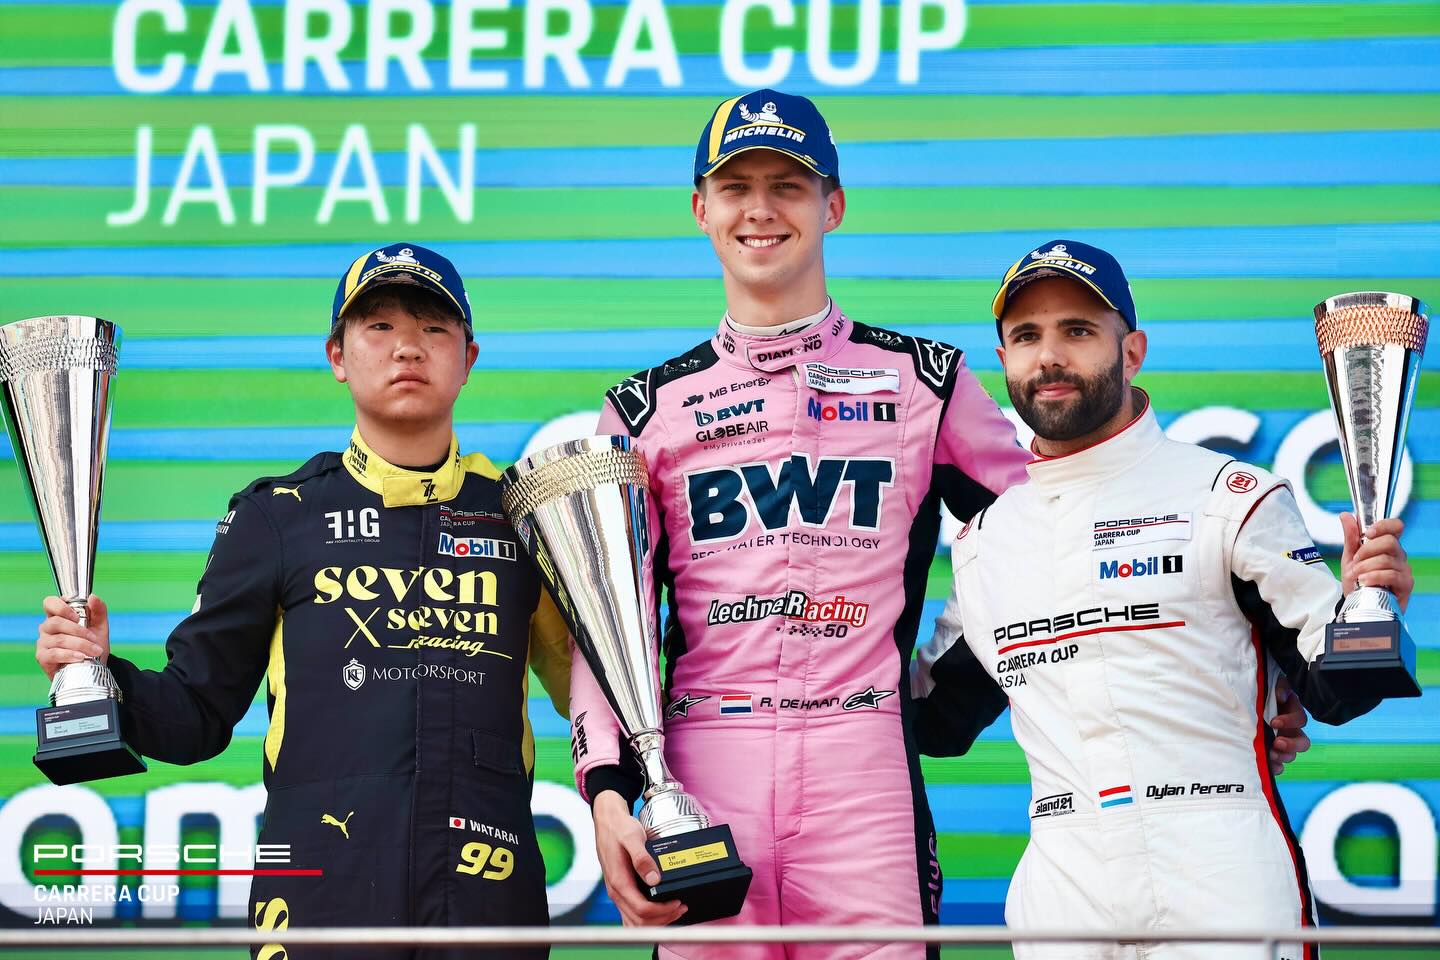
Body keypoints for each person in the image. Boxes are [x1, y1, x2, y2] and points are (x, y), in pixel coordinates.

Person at [565, 95, 1308, 958]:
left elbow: (1068, 527)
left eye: (788, 186)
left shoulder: (926, 380)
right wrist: (612, 794)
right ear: (701, 208)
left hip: (864, 761)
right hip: (700, 765)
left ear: (832, 205)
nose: (760, 209)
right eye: (735, 188)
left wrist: (1243, 687)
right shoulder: (646, 410)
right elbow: (603, 629)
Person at [35, 243, 570, 960]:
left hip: (487, 900)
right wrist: (100, 676)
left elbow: (592, 697)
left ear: (469, 357)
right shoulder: (278, 517)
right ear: (337, 356)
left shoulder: (524, 517)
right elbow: (196, 715)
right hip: (319, 898)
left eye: (434, 329)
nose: (407, 346)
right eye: (378, 327)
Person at [912, 239, 1411, 959]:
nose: (1050, 356)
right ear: (1005, 362)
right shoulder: (988, 541)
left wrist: (1366, 602)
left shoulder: (1229, 497)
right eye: (1027, 337)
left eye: (1078, 331)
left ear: (1133, 351)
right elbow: (932, 719)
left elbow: (1336, 688)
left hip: (1219, 861)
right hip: (1062, 877)